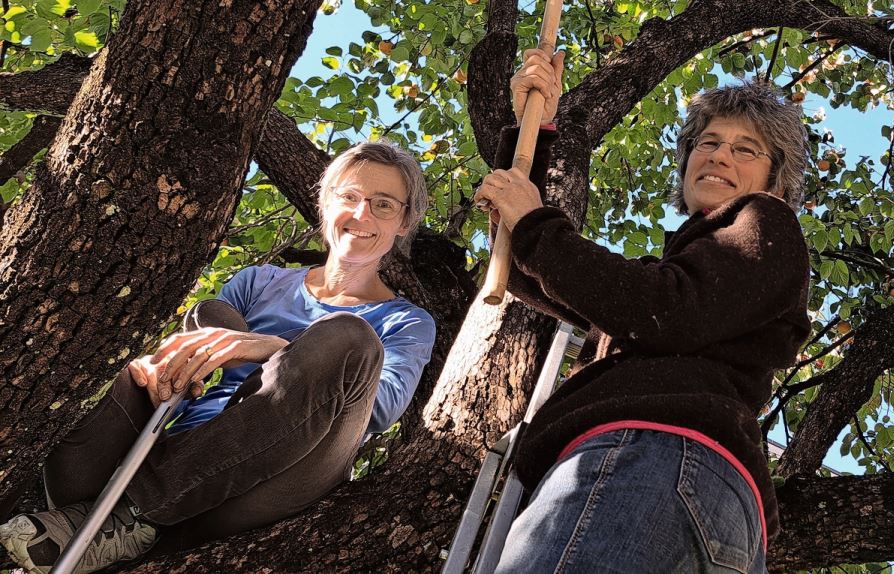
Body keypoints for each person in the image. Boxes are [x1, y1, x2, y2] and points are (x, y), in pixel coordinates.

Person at [0, 140, 436, 574]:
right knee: (196, 319)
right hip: (144, 453)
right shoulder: (259, 282)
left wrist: (268, 346)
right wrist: (153, 368)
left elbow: (379, 409)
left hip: (264, 486)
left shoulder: (405, 321)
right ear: (326, 203)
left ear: (403, 222)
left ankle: (131, 517)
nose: (362, 215)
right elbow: (198, 357)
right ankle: (113, 514)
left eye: (383, 205)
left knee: (346, 338)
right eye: (350, 197)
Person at [475, 50, 811, 573]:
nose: (720, 156)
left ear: (777, 183)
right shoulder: (676, 285)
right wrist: (532, 133)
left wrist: (537, 224)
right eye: (709, 143)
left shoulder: (764, 221)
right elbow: (524, 271)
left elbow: (661, 308)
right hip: (708, 506)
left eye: (746, 149)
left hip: (647, 461)